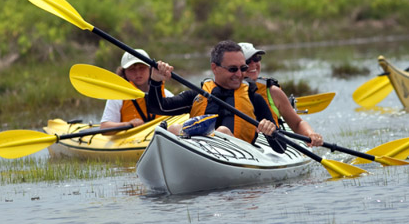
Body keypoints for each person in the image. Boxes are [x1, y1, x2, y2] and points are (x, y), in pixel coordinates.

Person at [146, 40, 279, 146]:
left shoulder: (254, 99)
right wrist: (156, 81)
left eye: (243, 68)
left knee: (222, 131)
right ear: (214, 68)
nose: (239, 74)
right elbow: (157, 107)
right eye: (232, 69)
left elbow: (280, 147)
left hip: (239, 158)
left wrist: (270, 132)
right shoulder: (197, 95)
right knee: (174, 128)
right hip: (199, 153)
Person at [239, 42, 324, 147]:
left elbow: (297, 123)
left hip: (272, 143)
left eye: (256, 58)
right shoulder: (224, 92)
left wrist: (310, 134)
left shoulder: (273, 91)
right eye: (247, 61)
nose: (253, 64)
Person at [100, 50, 173, 131]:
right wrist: (128, 124)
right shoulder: (118, 96)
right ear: (124, 72)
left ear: (150, 69)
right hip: (130, 141)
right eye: (132, 69)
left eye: (142, 68)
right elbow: (104, 127)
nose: (138, 73)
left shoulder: (166, 94)